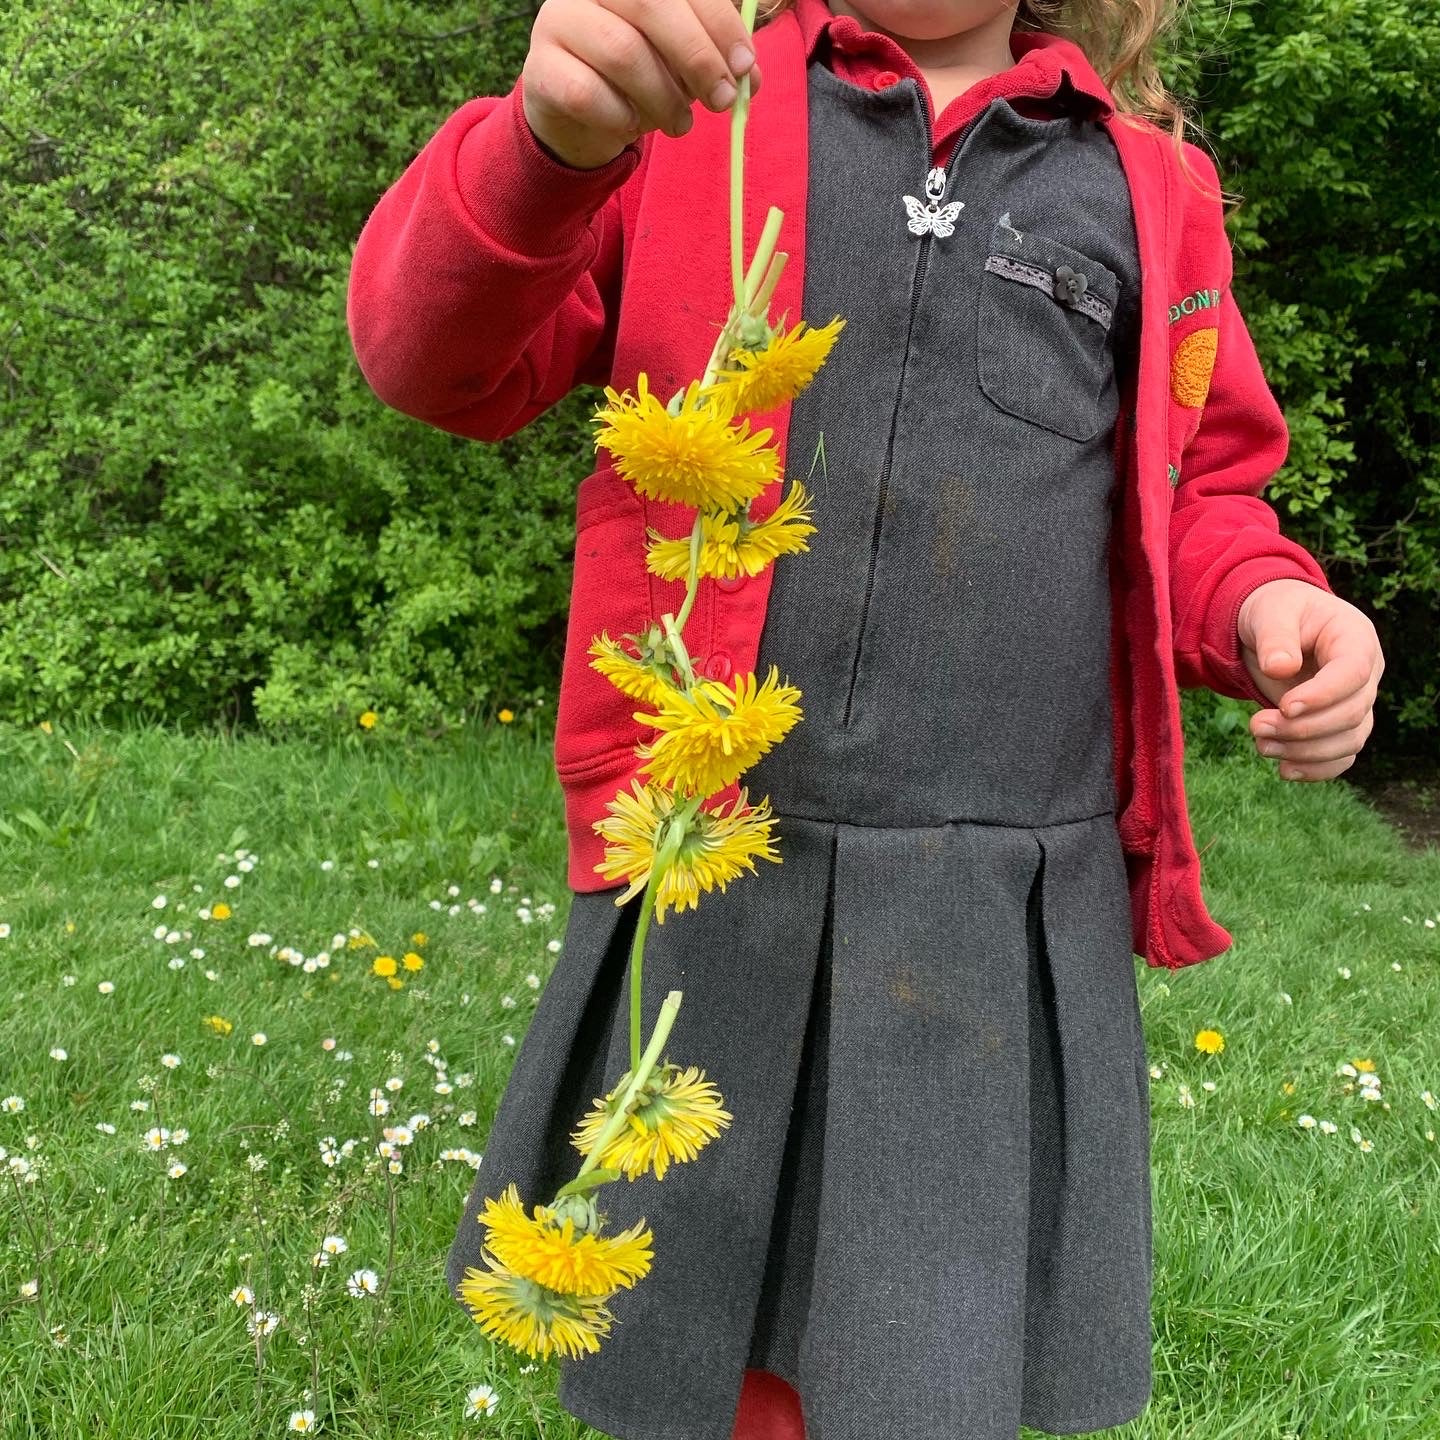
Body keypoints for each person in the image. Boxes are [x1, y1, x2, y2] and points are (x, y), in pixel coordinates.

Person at [346, 1, 1385, 1436]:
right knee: (681, 1350)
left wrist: (1274, 605)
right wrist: (548, 144)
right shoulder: (685, 104)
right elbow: (431, 358)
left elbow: (1197, 488)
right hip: (715, 855)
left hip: (992, 895)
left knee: (923, 1366)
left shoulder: (1148, 187)